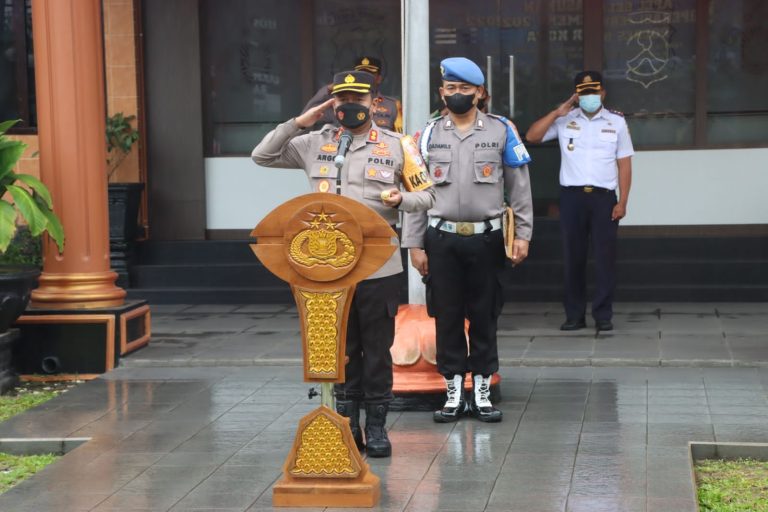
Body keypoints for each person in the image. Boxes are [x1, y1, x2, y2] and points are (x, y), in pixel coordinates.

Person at [252, 70, 435, 457]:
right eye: (341, 99)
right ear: (331, 102)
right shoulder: (312, 142)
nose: (349, 106)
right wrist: (300, 121)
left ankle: (378, 426)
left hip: (378, 266)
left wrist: (401, 201)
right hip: (326, 267)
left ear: (374, 102)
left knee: (377, 346)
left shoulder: (397, 144)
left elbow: (428, 195)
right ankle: (348, 424)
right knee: (342, 348)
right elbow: (262, 155)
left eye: (358, 99)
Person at [402, 57, 533, 423]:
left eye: (465, 89)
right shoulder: (426, 136)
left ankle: (483, 389)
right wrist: (413, 243)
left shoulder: (502, 130)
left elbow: (519, 189)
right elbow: (417, 193)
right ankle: (454, 391)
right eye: (451, 88)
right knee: (446, 316)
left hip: (486, 239)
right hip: (441, 239)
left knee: (484, 314)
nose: (457, 94)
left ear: (480, 93)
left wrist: (523, 234)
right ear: (442, 92)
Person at [526, 71, 634, 332]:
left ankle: (603, 314)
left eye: (593, 92)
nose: (589, 97)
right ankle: (574, 315)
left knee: (605, 258)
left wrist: (623, 202)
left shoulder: (616, 122)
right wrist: (557, 112)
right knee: (573, 257)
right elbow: (532, 137)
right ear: (576, 95)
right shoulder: (565, 120)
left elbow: (625, 164)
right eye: (583, 93)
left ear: (603, 93)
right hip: (572, 198)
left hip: (604, 198)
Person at [299, 56, 403, 132]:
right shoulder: (342, 103)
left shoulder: (392, 105)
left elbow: (400, 135)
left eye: (369, 73)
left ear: (379, 78)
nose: (364, 77)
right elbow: (307, 114)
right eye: (361, 73)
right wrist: (327, 89)